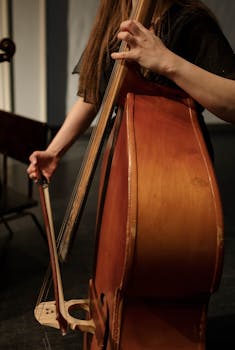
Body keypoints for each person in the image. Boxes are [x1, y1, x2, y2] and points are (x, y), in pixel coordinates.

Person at [27, 0, 235, 182]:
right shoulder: (112, 24)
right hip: (123, 160)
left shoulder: (191, 21)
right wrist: (53, 152)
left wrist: (168, 62)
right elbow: (91, 97)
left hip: (179, 164)